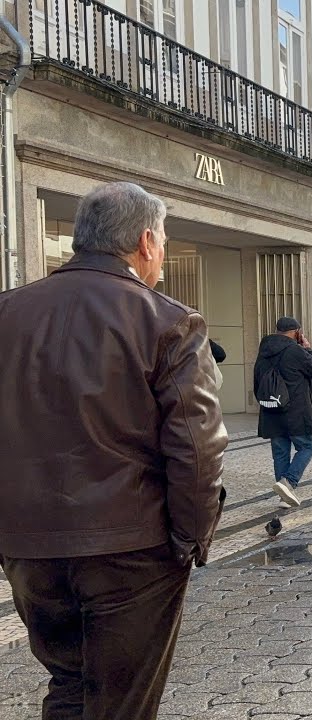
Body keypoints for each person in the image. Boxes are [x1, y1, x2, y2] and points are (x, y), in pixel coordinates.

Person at [0, 181, 227, 718]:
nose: (163, 253)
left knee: (69, 684)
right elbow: (197, 449)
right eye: (164, 241)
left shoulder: (8, 312)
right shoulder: (168, 321)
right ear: (146, 241)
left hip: (30, 547)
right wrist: (191, 538)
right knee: (121, 701)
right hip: (132, 547)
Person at [254, 316, 312, 508]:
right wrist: (309, 349)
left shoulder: (264, 351)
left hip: (272, 409)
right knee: (307, 447)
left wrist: (267, 402)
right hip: (296, 410)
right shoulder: (295, 350)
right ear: (296, 332)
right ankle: (289, 482)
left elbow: (257, 381)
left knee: (280, 452)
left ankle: (284, 496)